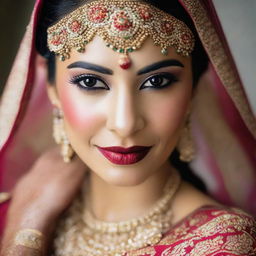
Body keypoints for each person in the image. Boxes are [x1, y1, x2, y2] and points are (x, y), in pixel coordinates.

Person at [0, 0, 256, 255]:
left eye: (157, 81)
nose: (125, 124)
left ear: (192, 90)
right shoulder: (12, 208)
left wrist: (25, 233)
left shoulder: (221, 244)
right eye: (90, 81)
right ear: (52, 88)